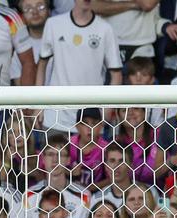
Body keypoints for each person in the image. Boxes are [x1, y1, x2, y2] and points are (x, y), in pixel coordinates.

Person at [36, 0, 123, 131]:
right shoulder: (53, 24)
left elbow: (116, 74)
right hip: (55, 117)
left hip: (91, 120)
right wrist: (38, 105)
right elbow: (42, 65)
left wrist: (106, 112)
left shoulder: (105, 29)